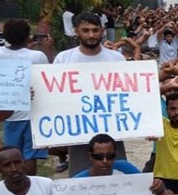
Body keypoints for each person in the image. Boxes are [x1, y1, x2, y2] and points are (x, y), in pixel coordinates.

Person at [53, 12, 127, 177]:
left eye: (95, 30)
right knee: (80, 181)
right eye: (85, 30)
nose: (91, 35)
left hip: (113, 133)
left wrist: (148, 125)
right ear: (76, 31)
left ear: (102, 31)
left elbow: (132, 95)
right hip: (78, 133)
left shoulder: (117, 59)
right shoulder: (63, 59)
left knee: (117, 179)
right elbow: (53, 95)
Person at [0, 19, 52, 175]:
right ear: (28, 37)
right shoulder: (37, 56)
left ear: (4, 36)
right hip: (33, 113)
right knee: (30, 155)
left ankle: (14, 179)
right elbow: (49, 74)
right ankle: (30, 183)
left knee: (12, 153)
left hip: (8, 114)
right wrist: (47, 49)